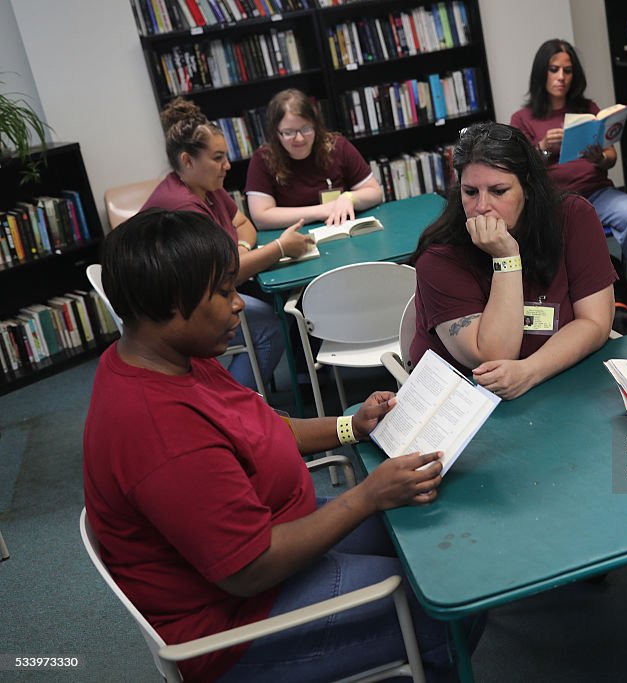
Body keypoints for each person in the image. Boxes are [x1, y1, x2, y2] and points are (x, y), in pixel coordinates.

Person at [83, 209, 473, 683]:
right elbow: (249, 568)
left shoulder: (169, 356)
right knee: (451, 601)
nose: (239, 304)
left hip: (273, 533)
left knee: (431, 545)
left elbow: (263, 427)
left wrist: (351, 428)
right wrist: (367, 495)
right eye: (223, 292)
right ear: (168, 305)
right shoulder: (158, 430)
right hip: (237, 623)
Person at [410, 121, 616, 400]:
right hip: (463, 401)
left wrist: (530, 371)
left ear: (528, 188)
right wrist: (506, 258)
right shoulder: (439, 257)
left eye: (498, 191)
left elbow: (595, 321)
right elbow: (494, 356)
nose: (482, 206)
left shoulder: (572, 217)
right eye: (470, 192)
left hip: (555, 383)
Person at [510, 39, 627, 324]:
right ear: (541, 72)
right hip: (556, 201)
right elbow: (518, 171)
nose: (561, 77)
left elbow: (610, 157)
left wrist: (598, 158)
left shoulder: (588, 107)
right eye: (554, 69)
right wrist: (542, 148)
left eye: (567, 71)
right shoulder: (523, 118)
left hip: (598, 193)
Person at [142, 97, 312, 391]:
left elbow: (244, 225)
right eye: (218, 157)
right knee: (270, 327)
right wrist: (281, 248)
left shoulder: (206, 186)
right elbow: (226, 275)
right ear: (187, 160)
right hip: (174, 311)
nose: (227, 165)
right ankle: (230, 405)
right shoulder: (181, 208)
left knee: (276, 302)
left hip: (200, 291)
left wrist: (241, 251)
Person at [246, 88, 384, 230]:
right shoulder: (263, 159)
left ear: (316, 126)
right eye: (289, 132)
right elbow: (261, 217)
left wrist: (349, 198)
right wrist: (320, 211)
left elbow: (375, 193)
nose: (299, 138)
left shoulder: (337, 146)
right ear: (276, 133)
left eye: (306, 129)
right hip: (293, 238)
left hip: (340, 230)